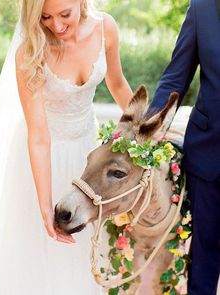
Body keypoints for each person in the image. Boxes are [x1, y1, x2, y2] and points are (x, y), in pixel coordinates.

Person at [0, 0, 133, 294]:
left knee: (85, 255)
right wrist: (44, 203)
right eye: (45, 17)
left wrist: (148, 132)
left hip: (88, 157)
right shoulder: (30, 50)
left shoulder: (106, 29)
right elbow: (39, 135)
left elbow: (118, 86)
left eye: (65, 14)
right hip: (41, 160)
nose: (57, 25)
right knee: (39, 256)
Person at [147, 0, 220, 294]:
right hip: (208, 152)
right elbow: (176, 76)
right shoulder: (202, 7)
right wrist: (146, 130)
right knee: (203, 257)